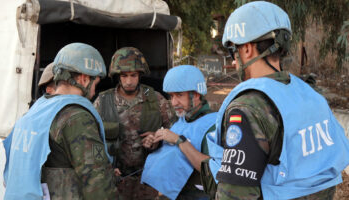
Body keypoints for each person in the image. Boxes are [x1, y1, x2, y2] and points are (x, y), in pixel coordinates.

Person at [204, 1, 349, 200]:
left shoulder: (249, 108)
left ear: (247, 49)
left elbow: (235, 195)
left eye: (233, 52)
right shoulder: (311, 95)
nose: (233, 61)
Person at [3, 43, 118, 200]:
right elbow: (98, 183)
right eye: (95, 84)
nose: (94, 92)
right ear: (84, 79)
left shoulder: (34, 112)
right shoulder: (76, 117)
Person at [93, 47, 174, 200]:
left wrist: (158, 137)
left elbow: (176, 134)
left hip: (149, 180)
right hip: (115, 180)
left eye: (133, 75)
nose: (129, 81)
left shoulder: (156, 99)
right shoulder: (103, 102)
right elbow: (91, 141)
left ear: (140, 75)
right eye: (124, 76)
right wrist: (106, 167)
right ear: (117, 76)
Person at [141, 65, 217, 200]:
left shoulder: (213, 125)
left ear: (196, 94)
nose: (174, 102)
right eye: (171, 96)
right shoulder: (182, 119)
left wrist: (179, 140)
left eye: (179, 95)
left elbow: (213, 170)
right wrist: (156, 143)